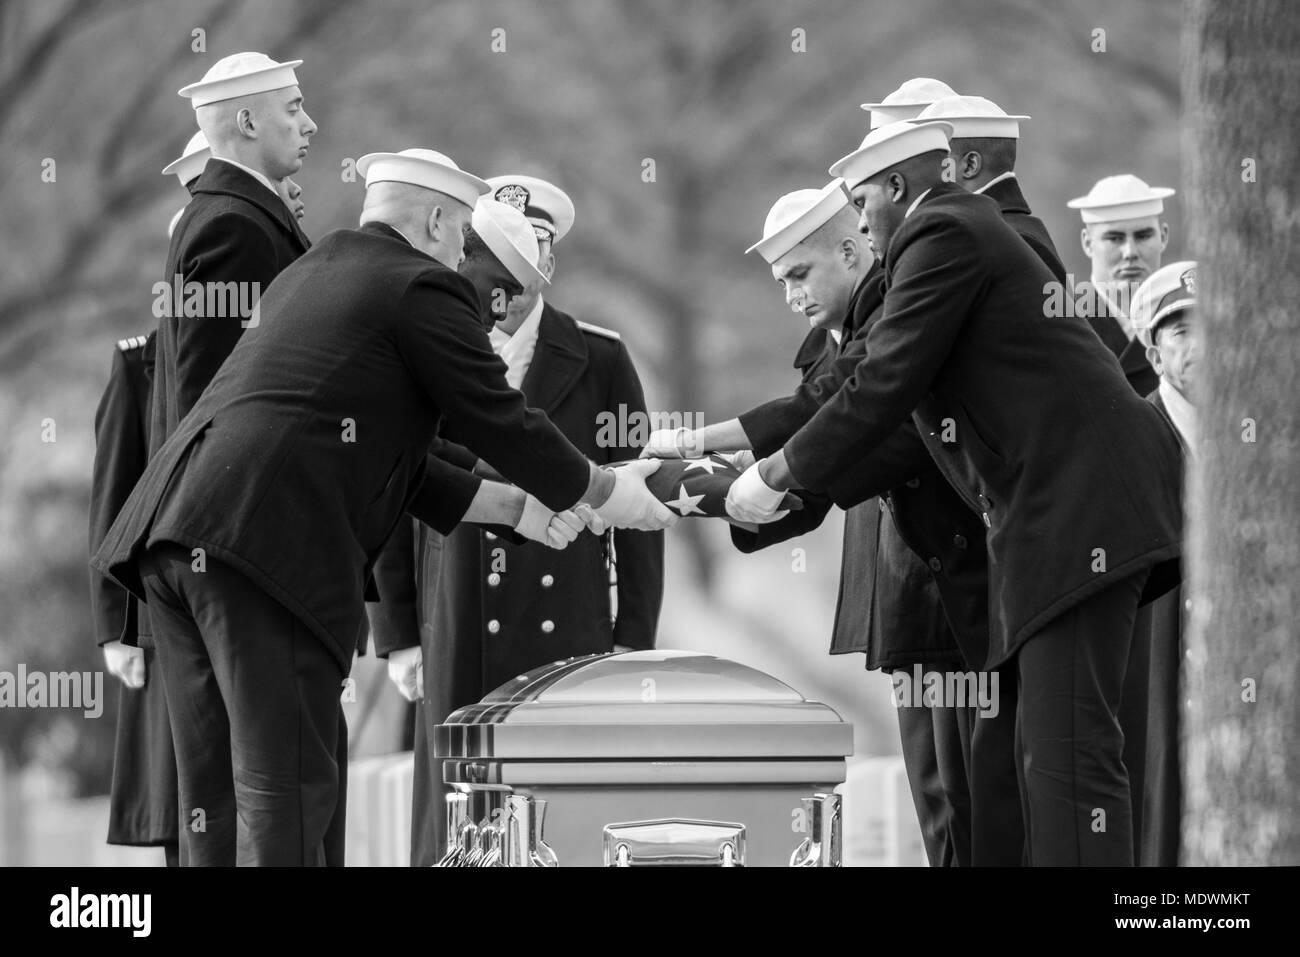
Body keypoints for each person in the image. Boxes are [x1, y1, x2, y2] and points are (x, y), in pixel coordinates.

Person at [91, 147, 675, 866]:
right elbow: (498, 418)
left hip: (174, 542)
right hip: (267, 557)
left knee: (211, 799)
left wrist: (513, 508)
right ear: (434, 221)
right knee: (289, 794)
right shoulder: (421, 287)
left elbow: (385, 450)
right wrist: (609, 491)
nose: (466, 255)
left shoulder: (315, 272)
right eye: (464, 233)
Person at [727, 119, 1183, 866]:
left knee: (1067, 763)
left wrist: (773, 474)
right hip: (1058, 525)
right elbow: (861, 390)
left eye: (864, 198)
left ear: (899, 187)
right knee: (1047, 762)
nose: (861, 217)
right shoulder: (951, 235)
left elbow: (881, 383)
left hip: (1078, 521)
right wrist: (722, 468)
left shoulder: (941, 231)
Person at [375, 181, 665, 865]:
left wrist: (634, 640)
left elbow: (637, 501)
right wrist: (397, 632)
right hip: (457, 612)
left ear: (546, 264)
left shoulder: (601, 358)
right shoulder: (428, 339)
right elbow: (394, 479)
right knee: (457, 814)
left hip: (565, 615)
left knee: (562, 812)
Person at [728, 181, 975, 866]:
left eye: (800, 274)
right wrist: (708, 490)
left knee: (973, 805)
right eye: (781, 281)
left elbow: (825, 435)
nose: (791, 295)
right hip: (901, 598)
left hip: (957, 590)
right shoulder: (823, 345)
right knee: (939, 803)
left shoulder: (897, 317)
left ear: (850, 247)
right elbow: (805, 454)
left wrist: (703, 467)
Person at [153, 52, 316, 452]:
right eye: (293, 110)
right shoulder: (232, 228)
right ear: (248, 123)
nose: (309, 125)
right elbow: (211, 404)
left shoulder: (226, 215)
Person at [1130, 260, 1199, 866]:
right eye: (1180, 331)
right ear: (1153, 354)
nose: (1201, 344)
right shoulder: (1131, 439)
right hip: (1153, 658)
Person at [1067, 174, 1175, 397]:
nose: (1130, 253)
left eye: (1143, 236)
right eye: (1114, 238)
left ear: (1163, 236)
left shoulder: (1190, 320)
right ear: (1087, 243)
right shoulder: (1063, 326)